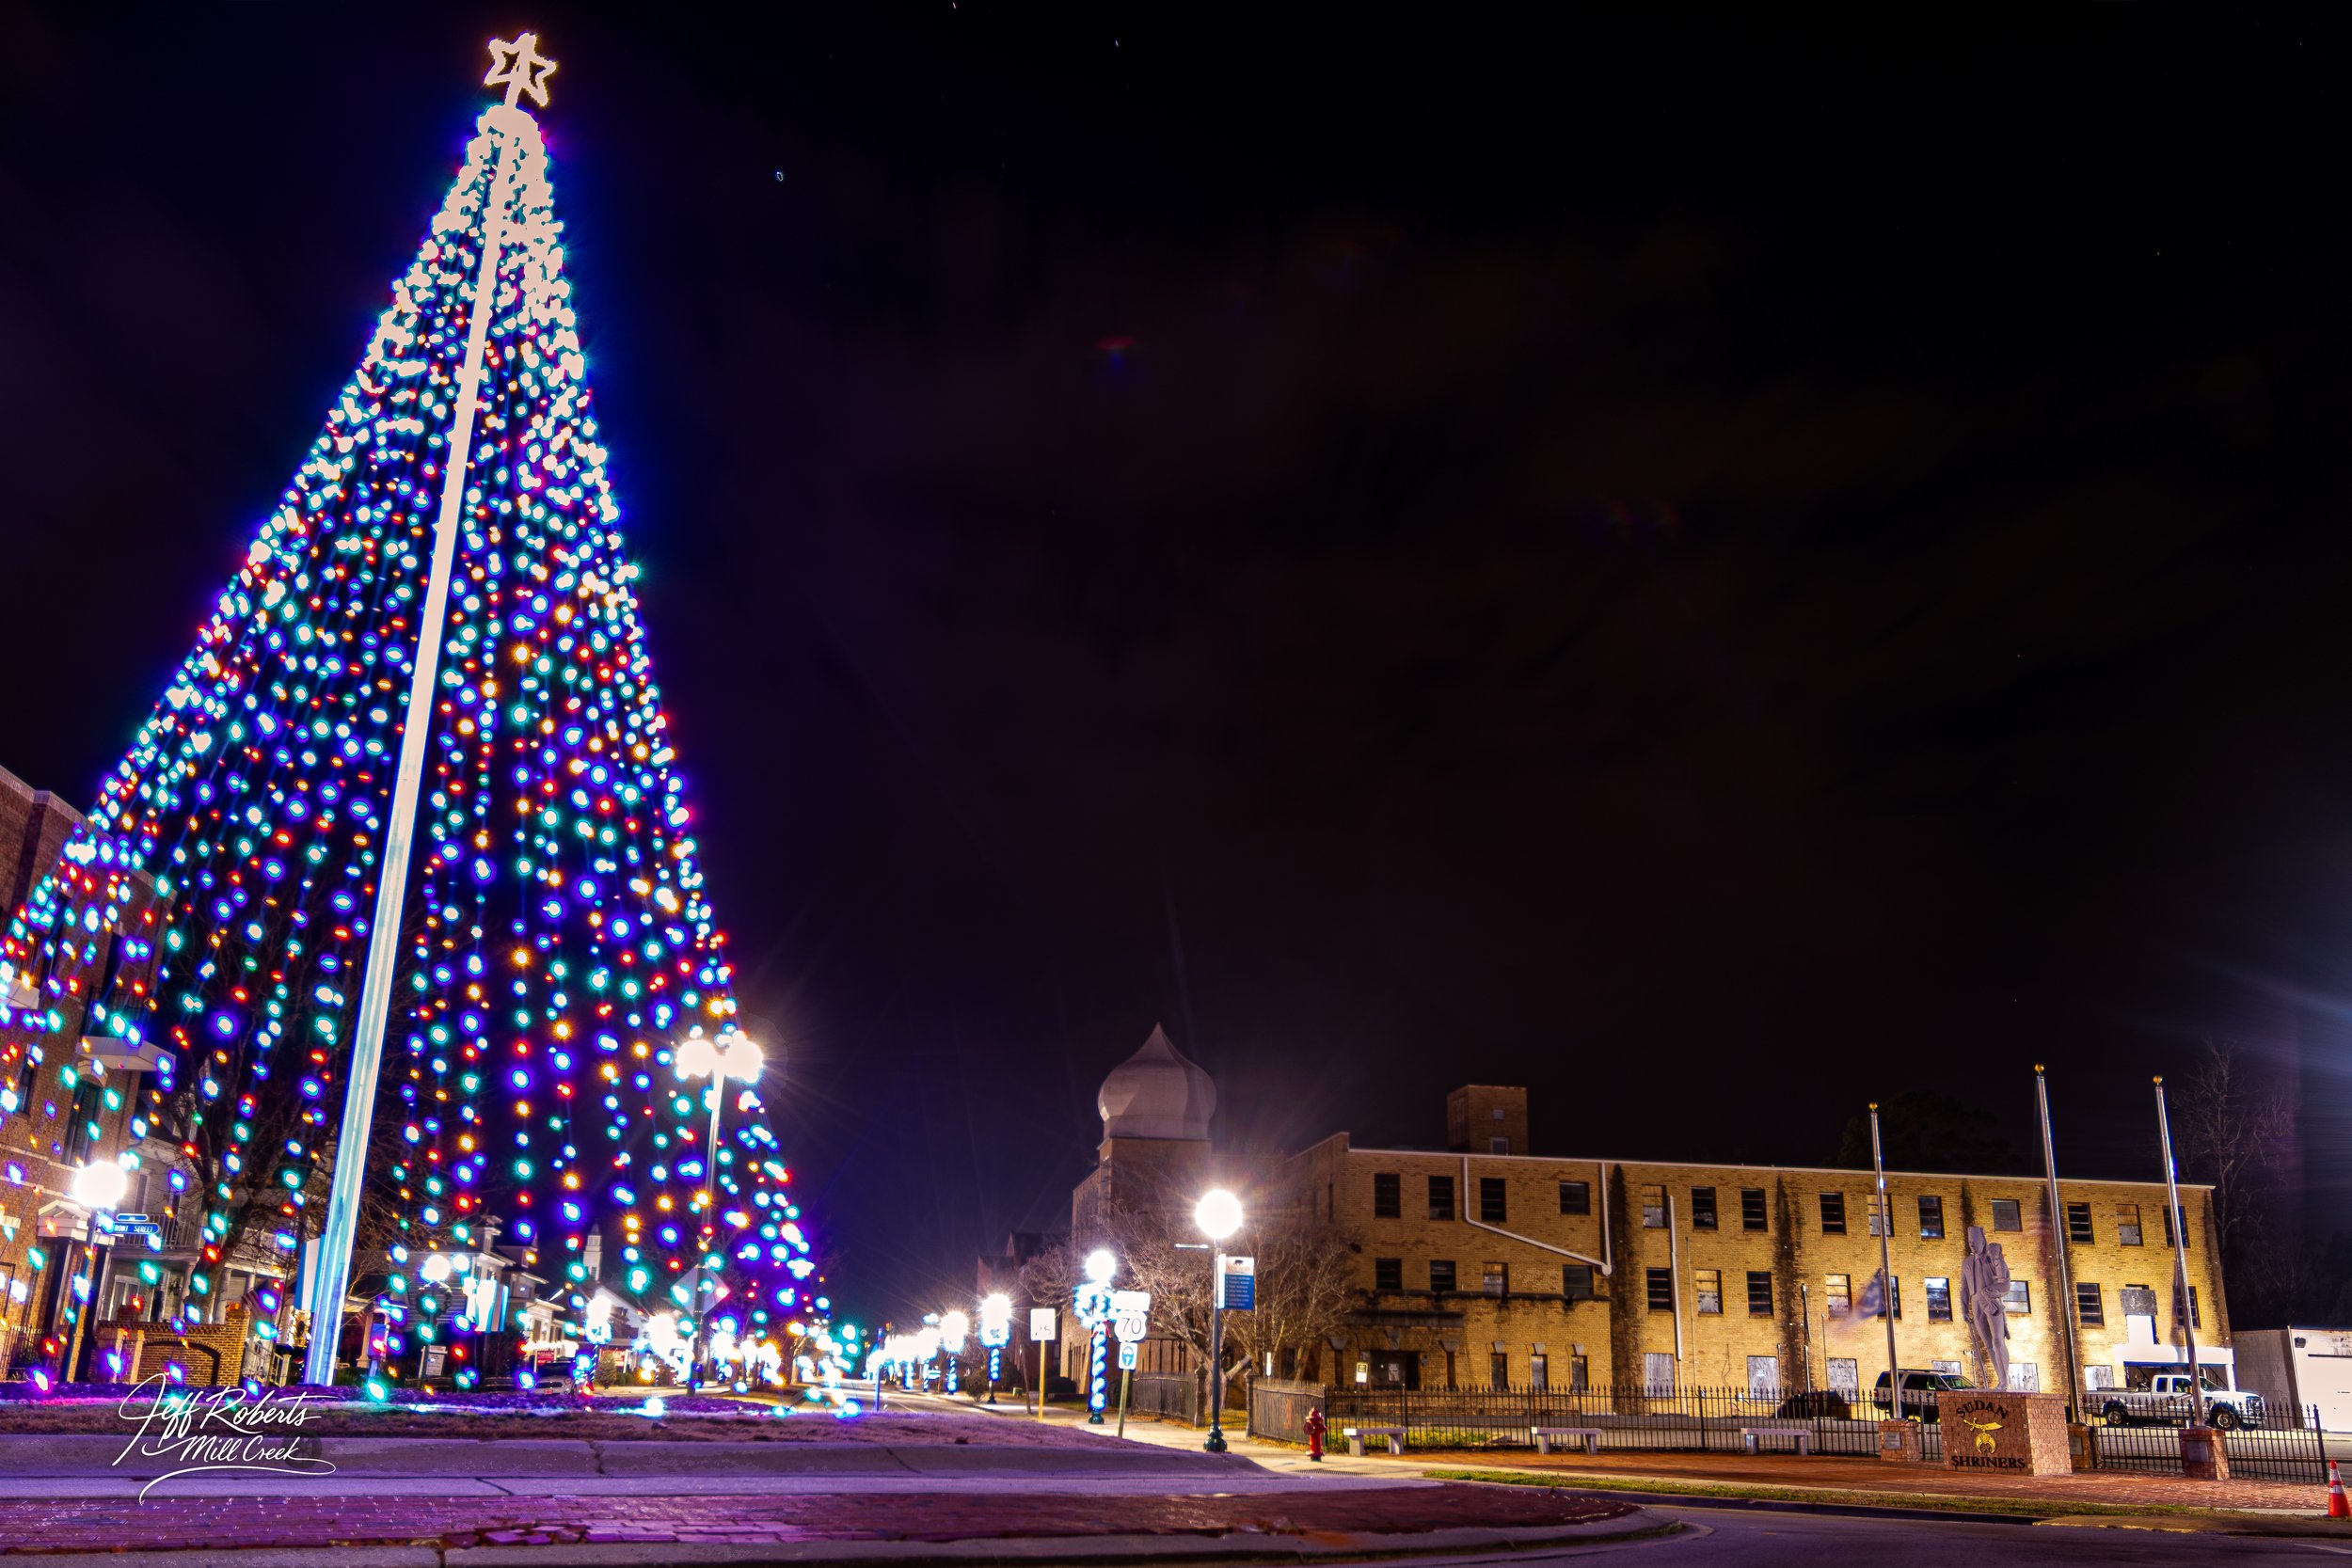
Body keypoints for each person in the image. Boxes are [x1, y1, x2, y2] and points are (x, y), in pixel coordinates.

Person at [1960, 1225, 2011, 1391]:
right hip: (1975, 1303)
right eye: (1970, 1242)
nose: (1972, 1244)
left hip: (1990, 1301)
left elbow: (2004, 1281)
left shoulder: (1992, 1259)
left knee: (1997, 1341)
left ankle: (2005, 1380)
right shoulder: (1967, 1262)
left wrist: (1997, 1258)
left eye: (1975, 1241)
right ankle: (2000, 1380)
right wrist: (1963, 1309)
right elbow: (1964, 1288)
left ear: (1983, 1241)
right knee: (1988, 1344)